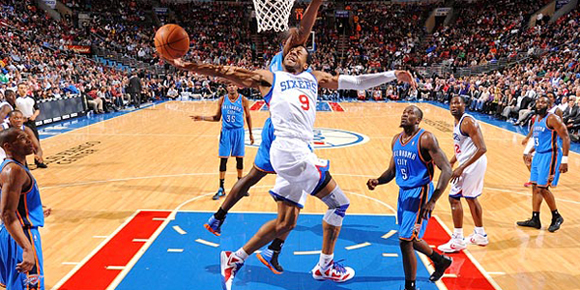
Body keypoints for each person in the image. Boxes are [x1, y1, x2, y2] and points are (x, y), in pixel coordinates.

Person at [166, 41, 416, 290]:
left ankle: (235, 258)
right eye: (291, 51)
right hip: (290, 153)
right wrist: (188, 66)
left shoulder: (315, 78)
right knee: (339, 204)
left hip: (299, 153)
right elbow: (226, 72)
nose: (294, 52)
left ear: (307, 63)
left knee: (286, 222)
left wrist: (393, 75)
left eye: (300, 52)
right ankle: (325, 266)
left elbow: (358, 82)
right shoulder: (270, 78)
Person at [204, 0, 325, 273]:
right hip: (282, 135)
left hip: (287, 131)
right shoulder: (283, 61)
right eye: (294, 43)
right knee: (280, 196)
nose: (297, 44)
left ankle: (226, 222)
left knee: (280, 198)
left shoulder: (288, 67)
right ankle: (248, 240)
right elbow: (303, 29)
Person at [366, 105, 453, 290]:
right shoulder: (396, 140)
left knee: (405, 240)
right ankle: (440, 260)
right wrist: (378, 181)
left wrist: (433, 200)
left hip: (420, 193)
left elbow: (447, 169)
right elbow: (392, 171)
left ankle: (410, 286)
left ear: (418, 120)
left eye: (411, 113)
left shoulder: (426, 138)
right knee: (410, 238)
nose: (406, 114)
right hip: (403, 194)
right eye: (404, 112)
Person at [0, 128, 49, 290]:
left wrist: (33, 209)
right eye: (22, 138)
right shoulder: (14, 171)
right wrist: (26, 247)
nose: (28, 140)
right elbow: (7, 214)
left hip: (10, 234)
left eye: (27, 137)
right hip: (22, 235)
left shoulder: (8, 168)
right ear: (8, 147)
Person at [438, 96, 488, 253]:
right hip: (469, 163)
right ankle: (480, 234)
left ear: (464, 105)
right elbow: (464, 146)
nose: (454, 105)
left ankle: (458, 239)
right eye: (452, 103)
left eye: (458, 103)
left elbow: (482, 148)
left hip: (472, 164)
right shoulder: (458, 121)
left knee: (454, 198)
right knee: (471, 198)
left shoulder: (467, 122)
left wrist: (461, 167)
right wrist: (453, 160)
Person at [191, 83, 254, 200]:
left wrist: (250, 133)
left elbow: (248, 116)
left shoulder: (243, 100)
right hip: (226, 132)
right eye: (229, 85)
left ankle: (240, 187)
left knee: (239, 160)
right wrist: (203, 118)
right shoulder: (222, 100)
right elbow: (216, 118)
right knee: (223, 160)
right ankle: (221, 188)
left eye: (233, 85)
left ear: (237, 87)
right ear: (226, 88)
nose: (231, 87)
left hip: (238, 132)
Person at [517, 96, 569, 232]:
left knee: (543, 188)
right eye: (538, 102)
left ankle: (556, 216)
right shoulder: (538, 119)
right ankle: (535, 218)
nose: (540, 104)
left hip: (549, 155)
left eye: (543, 102)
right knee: (535, 187)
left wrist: (564, 160)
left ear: (549, 104)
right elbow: (540, 139)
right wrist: (530, 152)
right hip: (538, 155)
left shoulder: (552, 118)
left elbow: (565, 137)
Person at [15, 83, 46, 169]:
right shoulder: (16, 100)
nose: (23, 89)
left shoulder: (31, 99)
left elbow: (37, 109)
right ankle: (24, 164)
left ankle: (38, 160)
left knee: (36, 141)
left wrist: (34, 116)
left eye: (24, 88)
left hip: (31, 122)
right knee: (21, 143)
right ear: (18, 89)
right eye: (21, 88)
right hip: (21, 123)